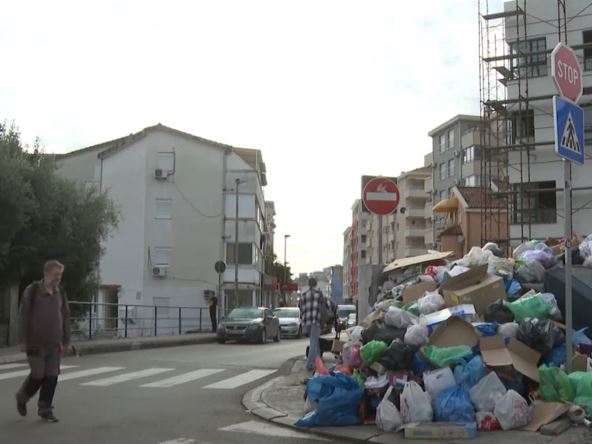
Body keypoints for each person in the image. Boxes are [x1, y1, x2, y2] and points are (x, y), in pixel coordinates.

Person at [16, 260, 70, 423]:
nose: (58, 278)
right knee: (38, 375)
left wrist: (66, 340)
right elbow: (23, 316)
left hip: (54, 344)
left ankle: (45, 408)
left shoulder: (60, 292)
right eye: (56, 274)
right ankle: (22, 396)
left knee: (52, 376)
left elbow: (65, 316)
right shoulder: (32, 291)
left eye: (60, 275)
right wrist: (22, 339)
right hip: (35, 343)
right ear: (46, 273)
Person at [299, 277, 329, 371]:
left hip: (307, 322)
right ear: (316, 284)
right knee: (313, 344)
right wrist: (324, 321)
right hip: (315, 321)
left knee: (315, 343)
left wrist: (303, 321)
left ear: (308, 284)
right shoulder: (318, 295)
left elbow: (301, 310)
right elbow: (325, 307)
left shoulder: (304, 295)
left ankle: (318, 362)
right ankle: (309, 364)